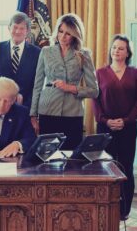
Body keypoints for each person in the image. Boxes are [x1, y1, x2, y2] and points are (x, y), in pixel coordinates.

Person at [92, 35, 137, 220]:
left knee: (126, 167)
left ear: (128, 52)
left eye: (121, 48)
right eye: (114, 47)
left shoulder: (136, 74)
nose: (116, 51)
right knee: (107, 167)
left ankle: (124, 210)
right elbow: (95, 101)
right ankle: (108, 206)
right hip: (105, 128)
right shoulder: (99, 73)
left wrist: (126, 120)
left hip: (128, 128)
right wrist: (106, 121)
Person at [30, 13, 98, 149]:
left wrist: (71, 88)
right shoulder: (46, 52)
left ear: (75, 35)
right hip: (47, 111)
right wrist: (33, 115)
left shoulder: (83, 55)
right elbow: (37, 85)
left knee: (71, 159)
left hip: (72, 113)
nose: (62, 36)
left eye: (68, 33)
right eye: (60, 31)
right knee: (47, 157)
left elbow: (94, 91)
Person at [0, 11, 41, 110]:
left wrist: (28, 108)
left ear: (27, 31)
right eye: (15, 27)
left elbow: (37, 85)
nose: (18, 31)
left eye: (22, 28)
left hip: (26, 108)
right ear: (9, 28)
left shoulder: (37, 53)